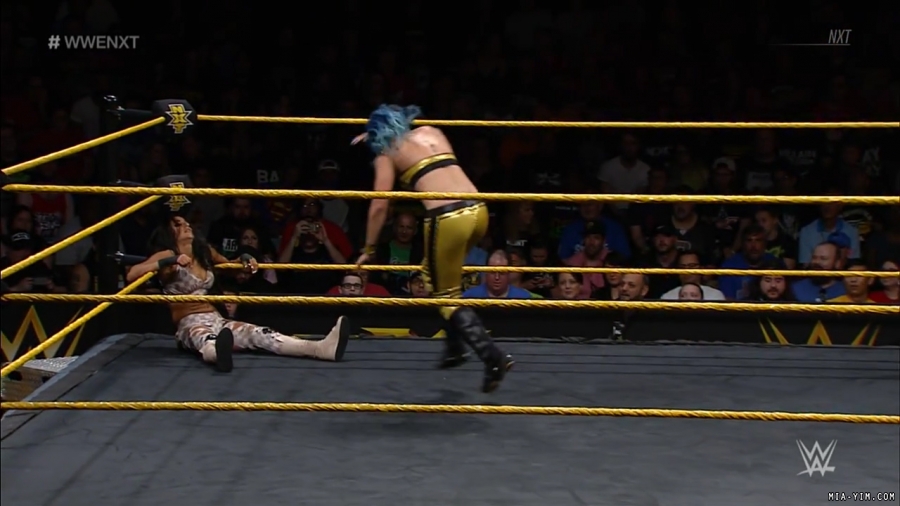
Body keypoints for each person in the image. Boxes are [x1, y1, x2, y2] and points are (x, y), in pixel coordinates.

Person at [352, 104, 514, 393]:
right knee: (432, 275)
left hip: (448, 217)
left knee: (445, 295)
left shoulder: (386, 153)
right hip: (478, 211)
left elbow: (379, 205)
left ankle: (493, 357)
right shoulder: (432, 132)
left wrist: (369, 247)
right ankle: (454, 348)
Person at [126, 215, 349, 372]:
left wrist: (244, 259)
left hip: (216, 318)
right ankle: (219, 356)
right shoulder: (166, 253)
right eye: (178, 224)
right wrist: (169, 261)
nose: (186, 226)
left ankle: (320, 349)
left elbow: (230, 266)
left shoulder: (203, 251)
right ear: (168, 232)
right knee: (205, 339)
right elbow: (132, 274)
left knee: (261, 334)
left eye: (186, 222)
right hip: (188, 322)